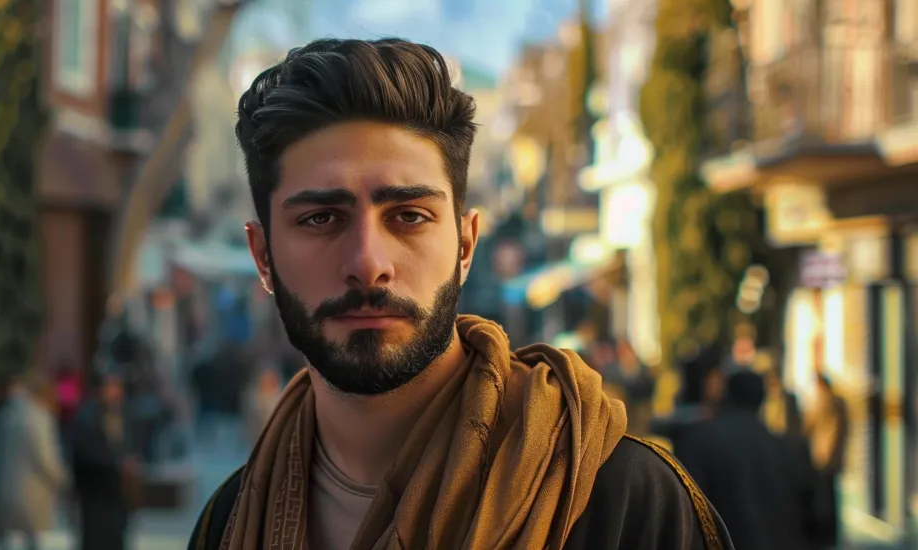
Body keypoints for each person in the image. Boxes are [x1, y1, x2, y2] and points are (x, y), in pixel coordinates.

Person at [187, 38, 732, 550]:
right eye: (322, 217)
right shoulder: (229, 522)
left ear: (466, 245)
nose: (368, 264)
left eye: (408, 216)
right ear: (263, 256)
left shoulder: (622, 503)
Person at [678, 369, 820, 550]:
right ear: (762, 400)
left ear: (726, 396)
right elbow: (817, 520)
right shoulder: (790, 450)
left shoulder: (698, 444)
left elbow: (686, 519)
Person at [0, 375, 69, 549]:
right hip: (32, 493)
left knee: (10, 541)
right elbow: (46, 459)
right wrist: (64, 480)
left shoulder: (8, 413)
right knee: (34, 541)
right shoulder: (39, 418)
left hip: (5, 491)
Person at [72, 371, 137, 550]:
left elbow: (130, 446)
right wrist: (117, 464)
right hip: (96, 497)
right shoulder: (87, 417)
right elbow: (85, 453)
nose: (115, 393)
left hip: (118, 497)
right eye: (111, 387)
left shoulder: (125, 416)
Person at [806, 373, 848, 548]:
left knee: (825, 498)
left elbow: (814, 425)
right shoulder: (838, 402)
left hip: (823, 458)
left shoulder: (827, 402)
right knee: (830, 496)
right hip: (831, 459)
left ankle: (827, 533)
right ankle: (830, 533)